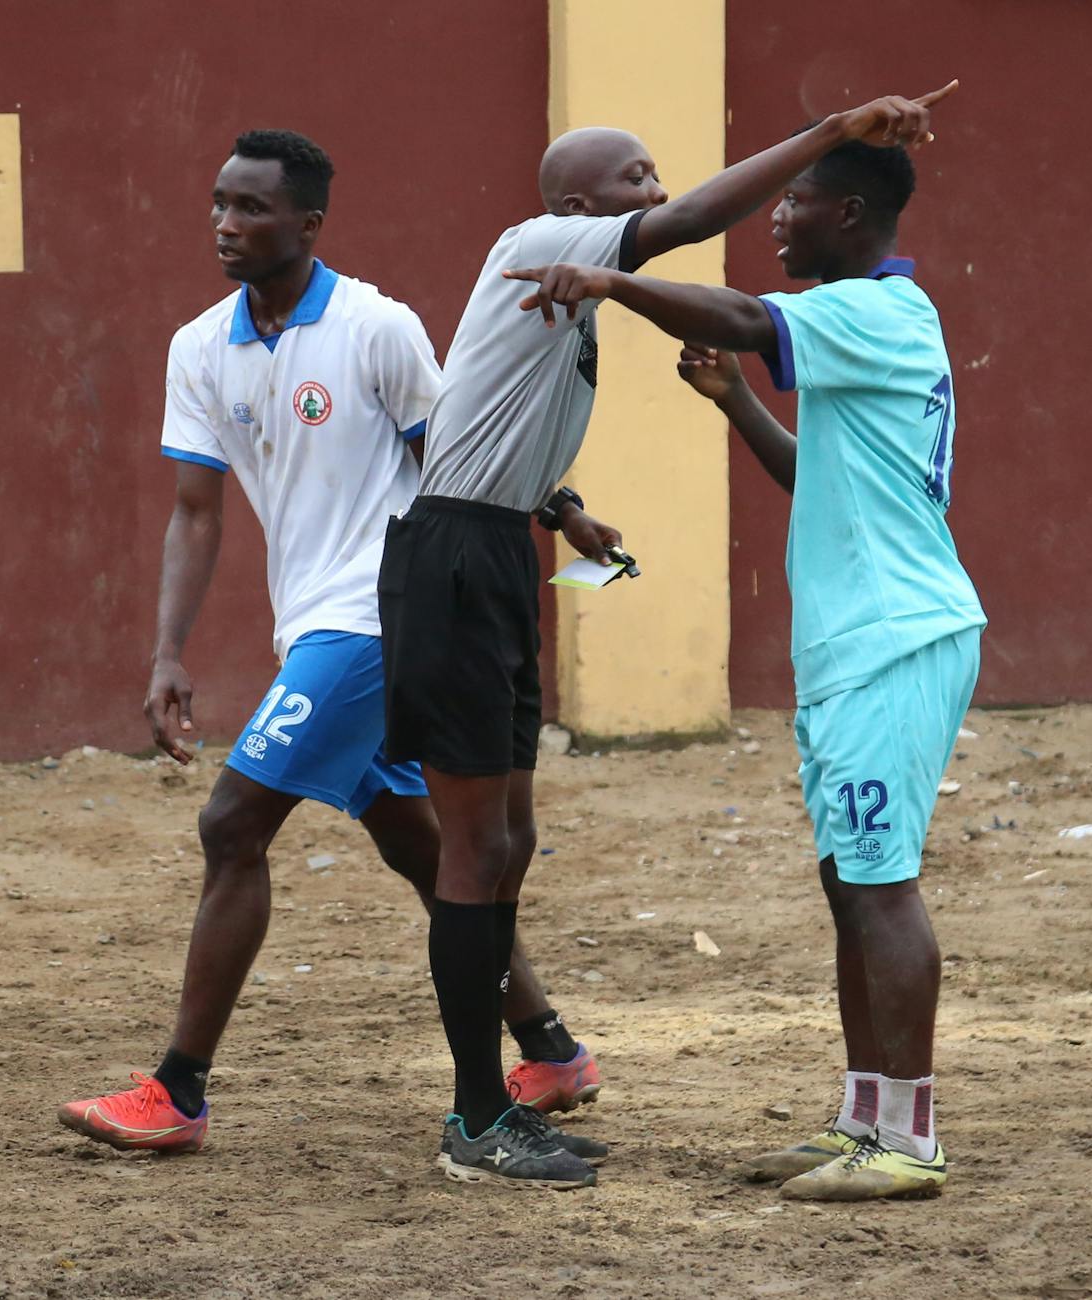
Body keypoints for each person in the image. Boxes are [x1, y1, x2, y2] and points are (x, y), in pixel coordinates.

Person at [380, 83, 956, 1187]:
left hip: (496, 546)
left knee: (509, 842)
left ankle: (507, 1096)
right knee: (475, 847)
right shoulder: (545, 241)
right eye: (633, 177)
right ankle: (474, 1116)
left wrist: (556, 507)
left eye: (653, 174)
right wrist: (833, 130)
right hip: (451, 557)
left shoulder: (582, 289)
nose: (657, 190)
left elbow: (491, 421)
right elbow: (691, 230)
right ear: (574, 205)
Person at [57, 131, 611, 1183]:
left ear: (307, 225)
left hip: (378, 618)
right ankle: (548, 1051)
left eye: (253, 209)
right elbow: (194, 510)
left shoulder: (375, 327)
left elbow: (460, 454)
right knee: (415, 843)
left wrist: (565, 512)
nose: (226, 223)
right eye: (219, 203)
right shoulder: (198, 347)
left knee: (233, 825)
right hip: (310, 622)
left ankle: (176, 1092)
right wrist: (166, 652)